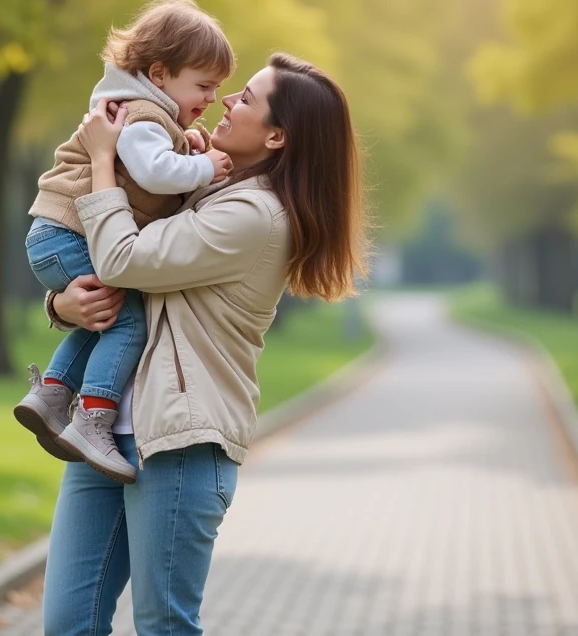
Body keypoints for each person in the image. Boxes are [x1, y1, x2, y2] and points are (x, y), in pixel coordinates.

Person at [39, 53, 368, 636]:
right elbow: (115, 282)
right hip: (105, 431)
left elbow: (124, 258)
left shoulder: (256, 215)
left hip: (180, 444)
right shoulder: (205, 183)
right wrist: (63, 305)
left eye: (246, 98)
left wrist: (101, 161)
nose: (227, 101)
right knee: (69, 623)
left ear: (275, 135)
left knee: (165, 624)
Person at [14, 0, 235, 483]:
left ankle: (52, 394)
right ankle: (94, 419)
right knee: (128, 321)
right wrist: (203, 165)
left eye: (218, 88)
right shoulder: (140, 116)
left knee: (109, 314)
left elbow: (154, 173)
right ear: (158, 75)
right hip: (67, 233)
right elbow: (155, 174)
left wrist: (186, 143)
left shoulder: (149, 117)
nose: (214, 99)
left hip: (58, 236)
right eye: (204, 86)